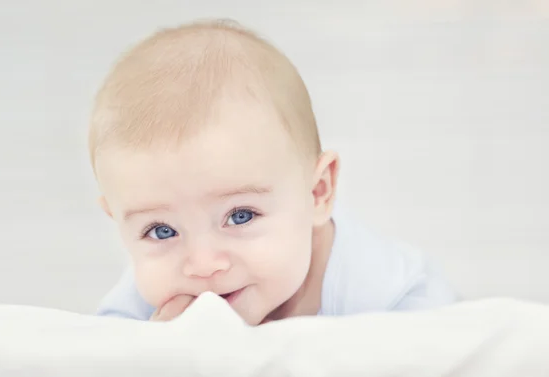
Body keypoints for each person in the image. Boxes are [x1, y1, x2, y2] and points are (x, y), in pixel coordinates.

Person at [89, 19, 456, 325]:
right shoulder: (159, 293)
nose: (203, 265)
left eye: (241, 216)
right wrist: (155, 350)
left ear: (317, 193)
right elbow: (104, 356)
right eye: (162, 230)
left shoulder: (384, 290)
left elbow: (439, 353)